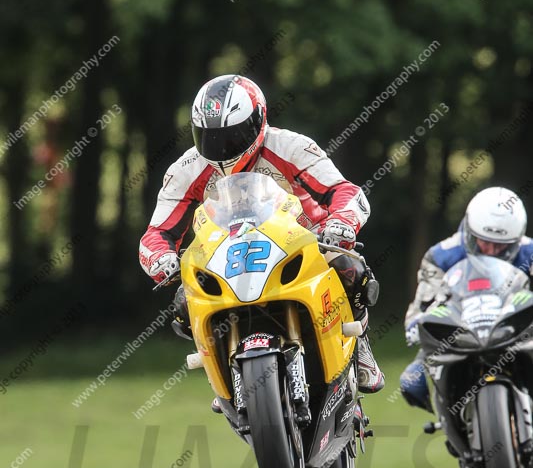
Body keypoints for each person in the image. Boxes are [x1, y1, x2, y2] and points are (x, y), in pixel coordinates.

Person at [139, 74, 384, 393]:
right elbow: (156, 232)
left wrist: (342, 222)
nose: (221, 148)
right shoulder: (185, 169)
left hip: (304, 241)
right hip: (225, 255)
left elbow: (343, 191)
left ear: (258, 121)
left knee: (351, 269)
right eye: (210, 137)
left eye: (232, 136)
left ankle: (359, 344)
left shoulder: (291, 146)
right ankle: (222, 373)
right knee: (184, 301)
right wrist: (161, 259)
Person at [400, 186, 533, 411]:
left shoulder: (530, 253)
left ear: (516, 240)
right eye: (484, 241)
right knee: (412, 381)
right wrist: (415, 324)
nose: (490, 250)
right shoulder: (441, 256)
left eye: (500, 245)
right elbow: (422, 307)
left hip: (516, 331)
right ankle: (449, 415)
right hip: (460, 333)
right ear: (471, 233)